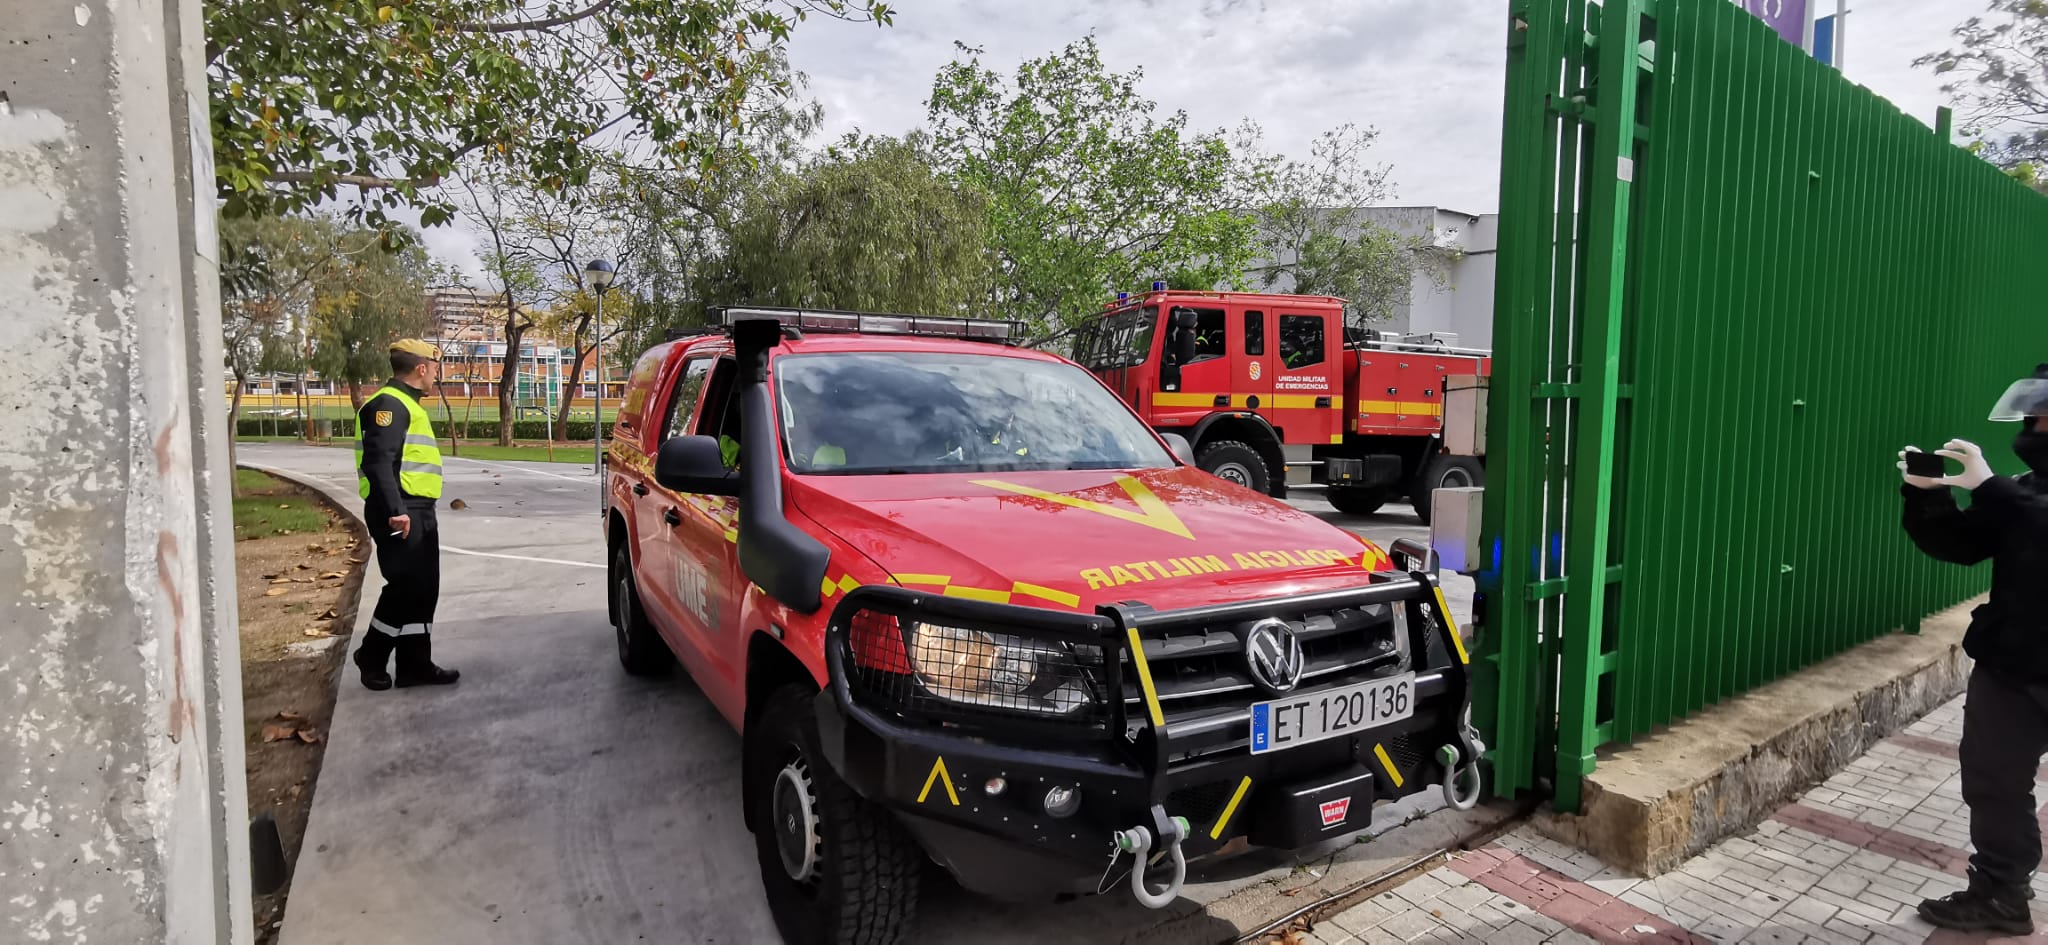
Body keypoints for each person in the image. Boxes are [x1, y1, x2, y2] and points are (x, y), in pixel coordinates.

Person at [1900, 363, 2048, 935]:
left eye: (2044, 414)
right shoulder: (2026, 490)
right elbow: (1961, 546)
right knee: (1992, 781)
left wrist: (1989, 485)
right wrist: (1929, 498)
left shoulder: (2019, 497)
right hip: (2013, 669)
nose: (2035, 424)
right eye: (2035, 412)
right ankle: (2000, 893)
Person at [351, 339, 461, 691]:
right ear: (422, 368)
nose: (437, 374)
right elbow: (378, 462)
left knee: (424, 589)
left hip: (419, 509)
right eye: (435, 367)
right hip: (400, 509)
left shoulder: (406, 405)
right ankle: (371, 654)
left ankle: (415, 665)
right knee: (404, 588)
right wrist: (396, 510)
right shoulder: (389, 405)